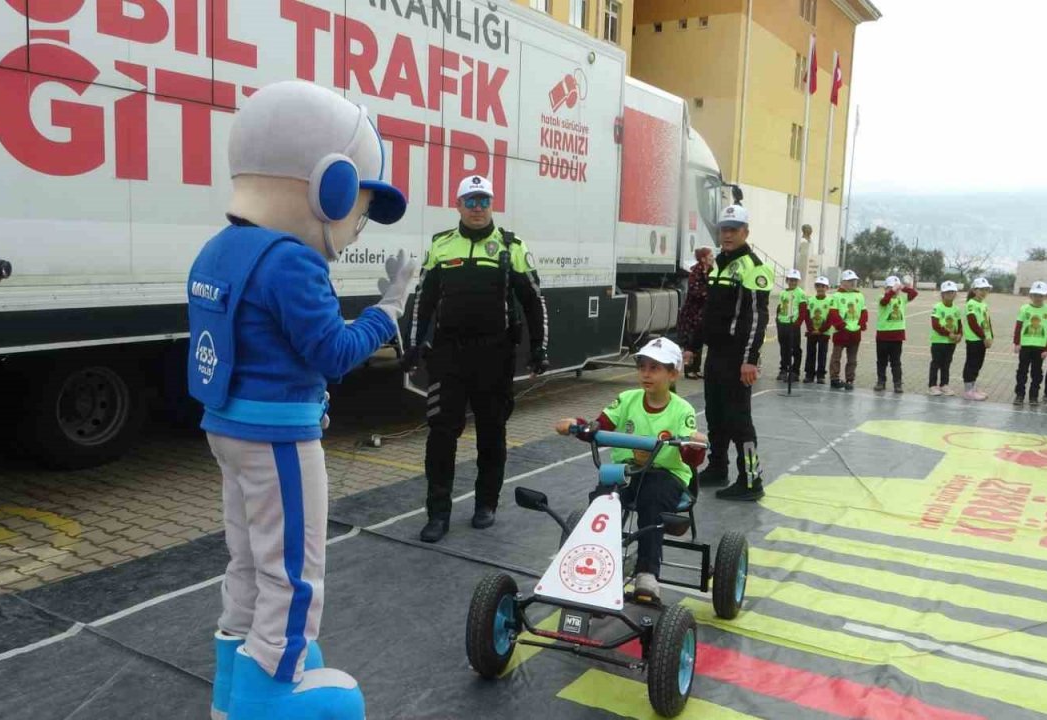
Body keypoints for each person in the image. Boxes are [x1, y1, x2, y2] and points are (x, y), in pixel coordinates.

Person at [185, 81, 416, 719]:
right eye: (361, 205)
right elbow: (334, 353)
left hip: (226, 426)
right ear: (329, 186)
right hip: (278, 434)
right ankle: (272, 683)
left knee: (247, 553)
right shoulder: (292, 262)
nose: (358, 220)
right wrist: (391, 307)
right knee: (294, 563)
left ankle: (236, 673)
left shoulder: (219, 247)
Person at [406, 175, 549, 543]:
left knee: (491, 432)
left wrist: (539, 349)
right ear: (458, 205)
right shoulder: (441, 245)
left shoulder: (510, 246)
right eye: (470, 201)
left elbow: (534, 301)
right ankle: (438, 514)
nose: (477, 208)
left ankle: (486, 504)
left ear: (492, 204)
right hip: (449, 355)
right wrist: (414, 344)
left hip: (495, 355)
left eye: (483, 200)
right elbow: (424, 300)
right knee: (441, 435)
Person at [555, 338, 706, 602]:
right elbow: (598, 426)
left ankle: (647, 573)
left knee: (651, 500)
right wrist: (576, 425)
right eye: (643, 367)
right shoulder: (627, 400)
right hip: (627, 472)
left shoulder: (683, 410)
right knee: (604, 499)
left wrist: (695, 443)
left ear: (673, 374)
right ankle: (592, 564)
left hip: (667, 476)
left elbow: (691, 456)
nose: (646, 374)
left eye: (655, 368)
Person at [682, 204, 772, 501]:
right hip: (716, 355)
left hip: (737, 357)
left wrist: (750, 359)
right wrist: (693, 346)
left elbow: (757, 319)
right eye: (724, 229)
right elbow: (707, 312)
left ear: (746, 232)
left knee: (739, 421)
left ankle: (751, 479)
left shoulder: (754, 267)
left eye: (734, 229)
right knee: (716, 415)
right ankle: (718, 467)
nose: (728, 234)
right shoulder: (719, 263)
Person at [874, 275, 917, 393]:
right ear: (886, 288)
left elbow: (913, 294)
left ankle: (897, 383)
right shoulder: (882, 298)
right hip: (883, 335)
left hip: (897, 336)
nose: (894, 291)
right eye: (891, 288)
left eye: (896, 289)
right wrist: (892, 291)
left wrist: (904, 288)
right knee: (881, 361)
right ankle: (881, 381)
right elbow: (884, 301)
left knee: (896, 362)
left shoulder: (901, 299)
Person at [1012, 281, 1047, 406]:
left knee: (1037, 373)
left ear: (1045, 296)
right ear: (1030, 295)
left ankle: (1033, 396)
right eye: (1035, 295)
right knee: (1022, 371)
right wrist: (1017, 342)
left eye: (1040, 295)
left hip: (1040, 347)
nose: (1037, 298)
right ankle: (1019, 395)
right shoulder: (1025, 308)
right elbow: (1018, 326)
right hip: (1025, 346)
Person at [676, 247, 713, 380]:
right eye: (710, 256)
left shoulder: (711, 271)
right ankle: (689, 369)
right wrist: (709, 294)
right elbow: (695, 291)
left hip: (703, 312)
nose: (712, 258)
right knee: (690, 341)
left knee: (699, 340)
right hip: (692, 313)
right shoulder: (695, 272)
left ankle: (697, 369)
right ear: (703, 258)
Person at [828, 269, 866, 392]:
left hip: (855, 332)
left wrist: (862, 323)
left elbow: (863, 311)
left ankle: (850, 379)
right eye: (850, 281)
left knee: (852, 358)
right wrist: (841, 325)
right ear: (843, 282)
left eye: (854, 281)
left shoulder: (859, 295)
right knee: (836, 356)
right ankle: (834, 378)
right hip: (841, 332)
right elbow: (833, 313)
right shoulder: (836, 296)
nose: (853, 283)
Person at [928, 281, 964, 395]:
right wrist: (949, 334)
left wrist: (959, 335)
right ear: (942, 294)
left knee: (947, 363)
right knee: (936, 363)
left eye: (952, 292)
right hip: (939, 341)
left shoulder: (956, 309)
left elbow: (959, 324)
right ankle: (932, 385)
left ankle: (944, 384)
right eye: (947, 292)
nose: (950, 294)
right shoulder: (937, 307)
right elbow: (935, 325)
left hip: (951, 342)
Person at [962, 277, 994, 400]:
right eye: (981, 289)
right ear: (974, 290)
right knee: (972, 364)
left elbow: (987, 321)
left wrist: (991, 336)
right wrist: (983, 336)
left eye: (986, 290)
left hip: (983, 339)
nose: (984, 292)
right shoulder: (971, 304)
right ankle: (968, 390)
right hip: (974, 340)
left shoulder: (984, 304)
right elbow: (972, 322)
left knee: (978, 364)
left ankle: (973, 387)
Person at [775, 269, 806, 382]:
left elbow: (803, 311)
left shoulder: (800, 293)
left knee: (795, 349)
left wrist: (797, 324)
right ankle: (784, 369)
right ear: (787, 280)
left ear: (798, 281)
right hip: (782, 324)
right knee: (784, 348)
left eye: (795, 280)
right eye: (790, 280)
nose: (792, 282)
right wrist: (778, 320)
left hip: (793, 325)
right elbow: (779, 307)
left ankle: (795, 371)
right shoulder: (783, 293)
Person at [803, 276, 834, 384]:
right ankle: (809, 374)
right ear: (815, 287)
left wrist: (821, 330)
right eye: (818, 286)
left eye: (823, 286)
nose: (820, 288)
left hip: (824, 333)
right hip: (812, 332)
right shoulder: (810, 300)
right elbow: (807, 316)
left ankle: (821, 375)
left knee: (822, 354)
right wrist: (811, 329)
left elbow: (830, 318)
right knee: (810, 353)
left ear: (827, 288)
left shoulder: (831, 301)